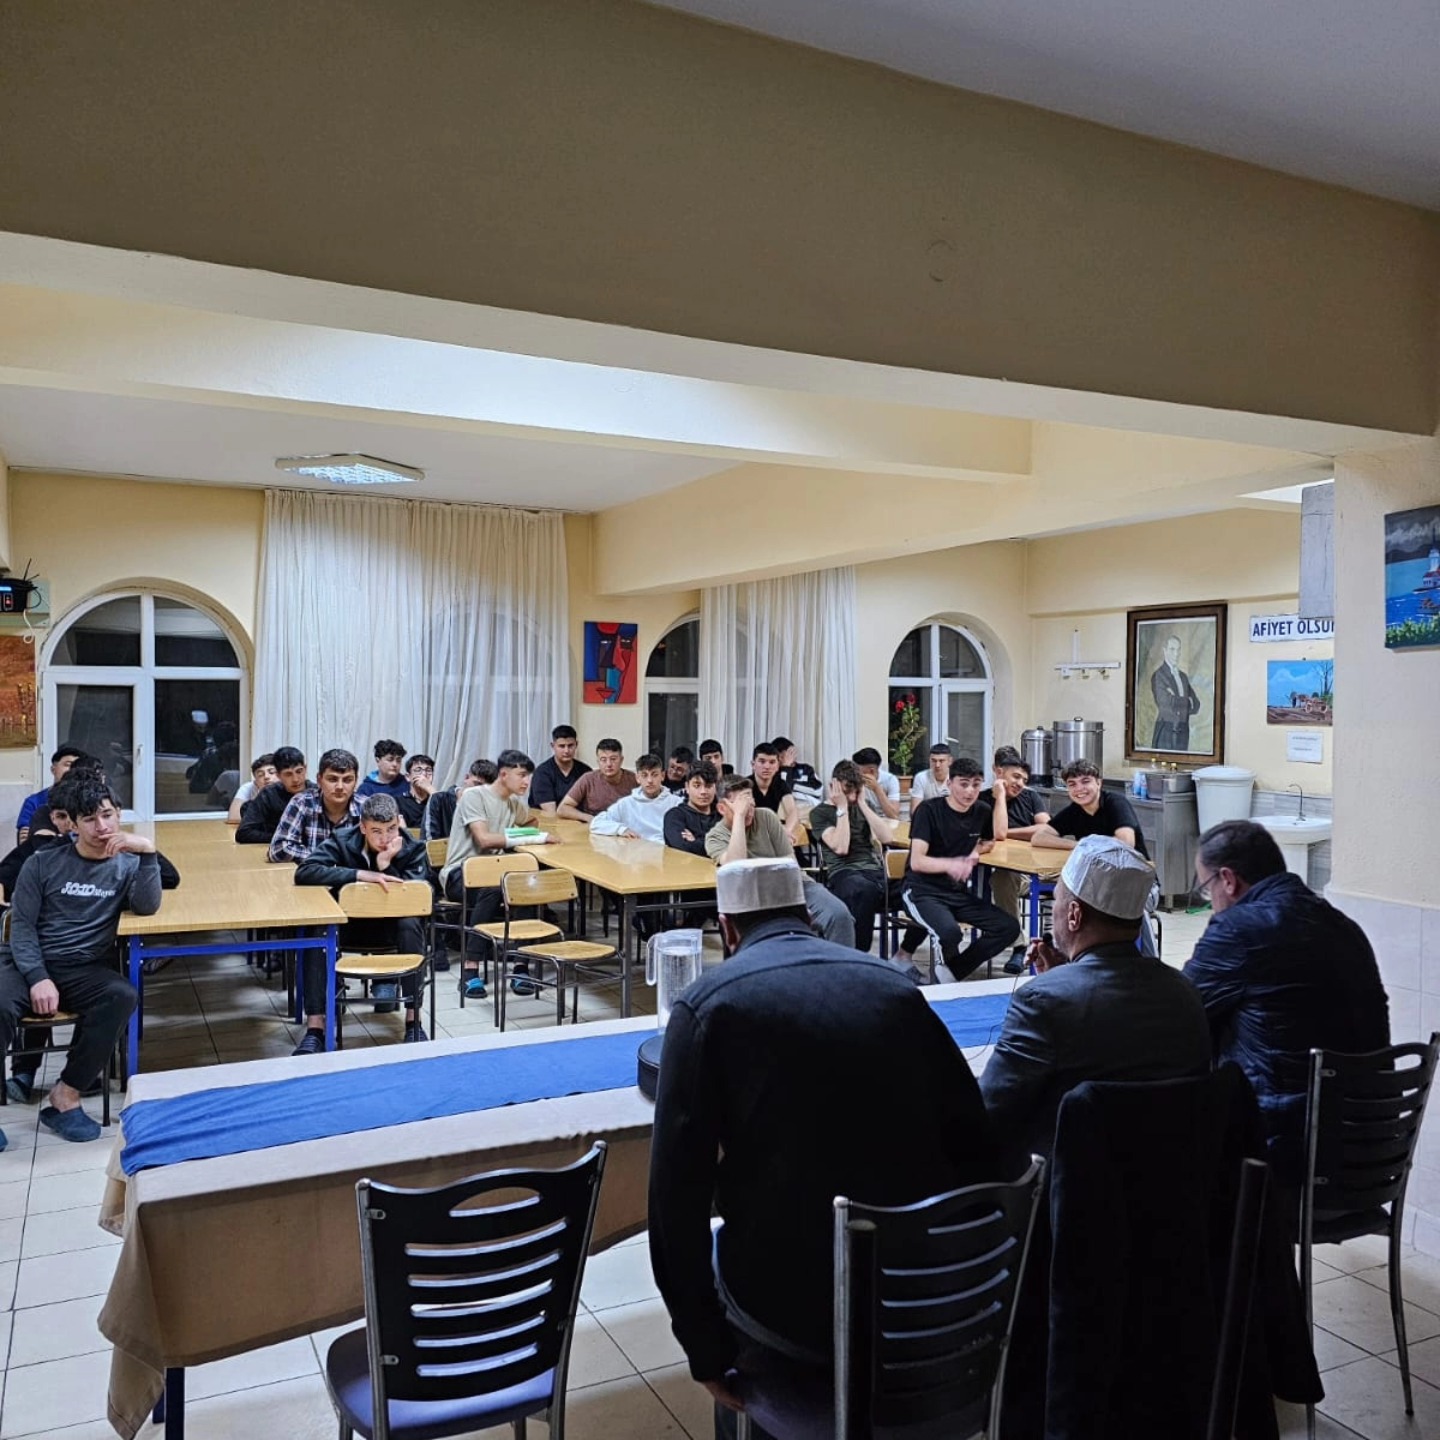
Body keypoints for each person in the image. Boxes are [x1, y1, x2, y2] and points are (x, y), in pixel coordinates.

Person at [649, 856, 1002, 1439]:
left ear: (727, 929)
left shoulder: (708, 1006)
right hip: (920, 1308)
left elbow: (673, 1203)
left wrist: (704, 1351)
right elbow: (974, 1142)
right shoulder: (893, 985)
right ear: (809, 916)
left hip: (792, 1326)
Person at [1184, 820, 1390, 1188]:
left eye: (1206, 889)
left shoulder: (1238, 929)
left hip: (1284, 1155)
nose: (1210, 903)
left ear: (1228, 880)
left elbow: (1180, 1014)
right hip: (1371, 1154)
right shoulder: (1343, 925)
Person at [980, 836, 1212, 1160]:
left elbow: (990, 1113)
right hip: (1178, 1178)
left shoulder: (1042, 1002)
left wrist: (1054, 986)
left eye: (1057, 900)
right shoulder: (1184, 993)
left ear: (1074, 915)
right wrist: (1062, 978)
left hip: (1074, 1183)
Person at [0, 777, 162, 1144]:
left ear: (119, 815)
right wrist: (38, 976)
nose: (101, 827)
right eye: (89, 819)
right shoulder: (43, 863)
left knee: (121, 995)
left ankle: (66, 1096)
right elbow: (21, 927)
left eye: (107, 815)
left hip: (82, 967)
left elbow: (147, 906)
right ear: (72, 824)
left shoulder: (127, 864)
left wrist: (148, 851)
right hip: (26, 961)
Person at [293, 793, 432, 1052]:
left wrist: (385, 866)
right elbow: (305, 871)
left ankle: (414, 1021)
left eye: (391, 829)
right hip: (351, 927)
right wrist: (360, 874)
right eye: (376, 831)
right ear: (363, 827)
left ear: (399, 822)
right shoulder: (343, 839)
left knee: (411, 922)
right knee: (318, 931)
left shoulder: (413, 848)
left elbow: (419, 895)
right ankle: (316, 1028)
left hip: (393, 930)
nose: (385, 838)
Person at [439, 749, 560, 999]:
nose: (527, 782)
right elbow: (483, 839)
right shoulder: (474, 796)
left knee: (524, 888)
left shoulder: (514, 803)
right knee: (494, 889)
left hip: (496, 873)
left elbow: (531, 823)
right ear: (504, 775)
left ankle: (520, 965)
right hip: (460, 873)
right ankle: (470, 969)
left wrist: (519, 833)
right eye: (522, 775)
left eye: (529, 776)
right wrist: (535, 838)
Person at [899, 756, 1020, 982]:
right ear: (949, 783)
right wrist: (952, 863)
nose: (970, 791)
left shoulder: (982, 810)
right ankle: (940, 981)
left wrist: (975, 851)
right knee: (949, 933)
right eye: (963, 784)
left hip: (956, 892)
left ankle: (952, 973)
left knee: (1008, 927)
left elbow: (989, 841)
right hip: (921, 890)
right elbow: (917, 861)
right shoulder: (928, 810)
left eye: (976, 785)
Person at [706, 776, 855, 948]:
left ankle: (841, 964)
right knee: (774, 934)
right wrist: (739, 818)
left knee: (839, 915)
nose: (749, 810)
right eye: (742, 806)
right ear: (722, 808)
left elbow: (790, 864)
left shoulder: (767, 817)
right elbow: (736, 867)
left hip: (793, 885)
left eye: (751, 803)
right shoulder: (715, 837)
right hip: (753, 898)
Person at [1030, 758, 1158, 954]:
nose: (1079, 789)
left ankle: (1147, 962)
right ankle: (1065, 959)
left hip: (1138, 883)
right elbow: (1039, 837)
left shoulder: (1115, 803)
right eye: (1072, 784)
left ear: (1099, 783)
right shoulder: (1074, 811)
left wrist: (1088, 847)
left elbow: (1125, 843)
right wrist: (1079, 846)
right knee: (1067, 905)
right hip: (1096, 886)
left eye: (1085, 781)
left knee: (1128, 907)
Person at [807, 759, 895, 954]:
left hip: (874, 871)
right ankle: (858, 955)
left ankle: (904, 953)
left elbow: (887, 838)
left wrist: (863, 804)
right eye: (847, 791)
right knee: (863, 890)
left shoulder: (862, 804)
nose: (852, 797)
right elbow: (841, 847)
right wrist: (842, 809)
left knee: (920, 887)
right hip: (845, 873)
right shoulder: (820, 813)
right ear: (834, 786)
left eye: (856, 791)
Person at [988, 749, 1052, 974]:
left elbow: (1047, 828)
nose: (1020, 784)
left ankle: (1059, 946)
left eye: (1024, 780)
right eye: (1015, 777)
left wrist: (1011, 833)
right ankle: (1019, 945)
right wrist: (1000, 797)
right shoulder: (985, 799)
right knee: (1001, 878)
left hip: (1037, 869)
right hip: (1008, 870)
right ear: (999, 773)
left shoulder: (1031, 797)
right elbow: (998, 832)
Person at [268, 748, 362, 863]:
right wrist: (325, 858)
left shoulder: (366, 807)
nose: (340, 787)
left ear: (356, 781)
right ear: (319, 780)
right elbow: (278, 850)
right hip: (312, 873)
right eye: (332, 779)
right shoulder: (302, 803)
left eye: (347, 780)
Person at [591, 753, 682, 840]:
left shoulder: (677, 803)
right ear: (637, 778)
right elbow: (596, 824)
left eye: (654, 775)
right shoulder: (626, 804)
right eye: (644, 775)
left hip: (666, 849)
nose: (650, 780)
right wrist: (621, 829)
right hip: (636, 848)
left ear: (662, 776)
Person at [235, 746, 311, 844]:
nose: (295, 779)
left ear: (305, 769)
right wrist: (283, 838)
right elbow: (243, 833)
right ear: (278, 775)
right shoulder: (268, 794)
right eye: (288, 774)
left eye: (299, 771)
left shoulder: (317, 792)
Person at [15, 744, 86, 844]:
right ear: (53, 769)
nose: (72, 769)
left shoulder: (85, 800)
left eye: (77, 766)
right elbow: (24, 839)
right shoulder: (34, 802)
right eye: (68, 764)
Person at [556, 738, 637, 822]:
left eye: (613, 759)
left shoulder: (634, 779)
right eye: (603, 760)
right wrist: (588, 818)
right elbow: (562, 809)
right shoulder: (588, 779)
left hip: (624, 825)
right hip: (594, 825)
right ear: (598, 762)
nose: (608, 764)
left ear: (621, 760)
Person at [422, 757, 495, 842]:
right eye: (477, 784)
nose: (480, 791)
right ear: (466, 778)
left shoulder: (488, 806)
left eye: (486, 789)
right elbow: (429, 842)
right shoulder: (438, 800)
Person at [1150, 634, 1201, 750]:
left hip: (1183, 735)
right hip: (1165, 734)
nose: (1176, 654)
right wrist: (1187, 701)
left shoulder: (1183, 677)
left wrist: (1177, 702)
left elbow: (1196, 705)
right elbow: (1165, 703)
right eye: (1172, 649)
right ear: (1165, 651)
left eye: (1178, 650)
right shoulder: (1159, 676)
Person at [528, 725, 591, 814]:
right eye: (562, 746)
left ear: (576, 744)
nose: (566, 751)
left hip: (579, 820)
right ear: (553, 746)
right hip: (549, 821)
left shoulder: (585, 771)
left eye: (570, 745)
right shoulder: (542, 773)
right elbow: (551, 812)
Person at [747, 742, 802, 843]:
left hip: (773, 831)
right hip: (750, 834)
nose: (767, 766)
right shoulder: (745, 785)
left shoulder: (780, 784)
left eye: (772, 762)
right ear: (753, 765)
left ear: (777, 766)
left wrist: (787, 831)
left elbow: (792, 811)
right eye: (762, 761)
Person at [663, 762, 721, 856]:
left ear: (715, 788)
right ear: (687, 787)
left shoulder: (722, 815)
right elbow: (681, 847)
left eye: (708, 786)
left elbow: (731, 846)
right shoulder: (675, 816)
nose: (703, 792)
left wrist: (695, 841)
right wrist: (715, 844)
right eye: (697, 786)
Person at [851, 746, 900, 821]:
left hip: (885, 820)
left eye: (858, 769)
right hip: (863, 819)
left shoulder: (890, 780)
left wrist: (877, 789)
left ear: (871, 771)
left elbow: (894, 816)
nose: (855, 772)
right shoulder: (854, 779)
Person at [226, 753, 277, 824]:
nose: (266, 777)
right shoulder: (248, 787)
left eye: (271, 772)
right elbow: (233, 817)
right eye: (260, 775)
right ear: (255, 781)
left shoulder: (289, 788)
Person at [773, 736, 822, 808]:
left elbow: (818, 790)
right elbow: (783, 792)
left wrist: (792, 784)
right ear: (779, 757)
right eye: (790, 753)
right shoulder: (774, 772)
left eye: (794, 753)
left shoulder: (806, 769)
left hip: (810, 807)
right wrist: (786, 768)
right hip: (787, 809)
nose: (794, 757)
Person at [395, 753, 435, 829]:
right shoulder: (398, 802)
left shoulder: (436, 800)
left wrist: (429, 788)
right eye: (418, 770)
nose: (424, 774)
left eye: (428, 770)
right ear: (408, 777)